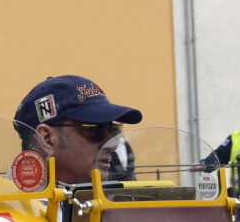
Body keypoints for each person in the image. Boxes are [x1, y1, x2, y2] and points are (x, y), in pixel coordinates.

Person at [15, 75, 144, 187]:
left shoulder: (106, 202)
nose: (113, 144)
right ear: (47, 139)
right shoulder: (12, 206)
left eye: (113, 129)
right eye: (95, 129)